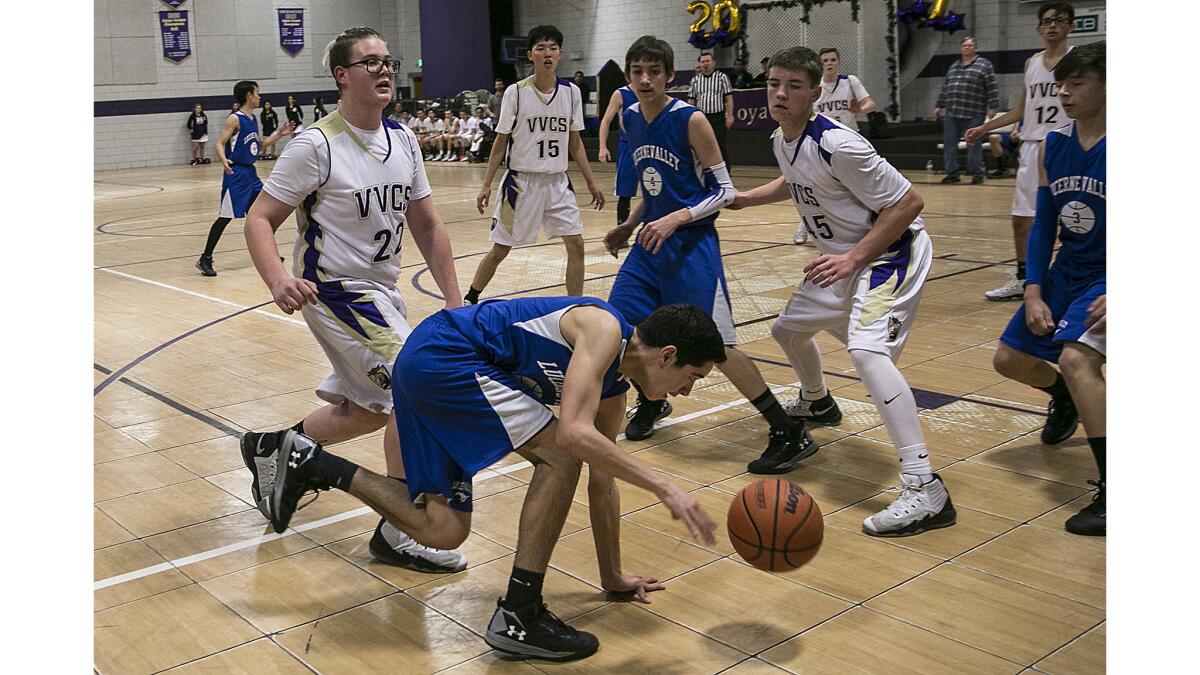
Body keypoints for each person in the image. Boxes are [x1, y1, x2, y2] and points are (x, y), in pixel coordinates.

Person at [246, 299, 722, 661]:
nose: (686, 390)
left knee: (442, 529)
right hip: (444, 355)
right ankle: (521, 611)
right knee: (559, 453)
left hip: (432, 367)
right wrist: (665, 484)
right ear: (667, 355)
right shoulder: (604, 328)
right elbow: (574, 436)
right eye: (692, 377)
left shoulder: (615, 390)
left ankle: (311, 463)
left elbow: (603, 479)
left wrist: (612, 576)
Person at [240, 26, 470, 571]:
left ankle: (277, 447)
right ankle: (400, 527)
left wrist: (455, 298)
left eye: (387, 61)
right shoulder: (315, 145)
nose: (385, 70)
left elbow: (429, 225)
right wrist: (278, 280)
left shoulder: (406, 141)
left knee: (367, 410)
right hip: (337, 291)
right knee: (411, 391)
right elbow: (259, 220)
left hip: (383, 291)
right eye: (370, 63)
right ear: (342, 75)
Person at [730, 46, 955, 537]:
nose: (781, 93)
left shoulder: (842, 144)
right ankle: (817, 401)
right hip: (841, 261)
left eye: (793, 86)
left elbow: (909, 202)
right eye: (774, 84)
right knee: (787, 331)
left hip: (887, 256)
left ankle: (925, 488)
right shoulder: (781, 140)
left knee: (868, 353)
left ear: (816, 93)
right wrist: (747, 198)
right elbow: (794, 179)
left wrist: (854, 258)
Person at [602, 36, 816, 470]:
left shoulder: (691, 120)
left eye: (654, 72)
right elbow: (654, 185)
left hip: (691, 245)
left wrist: (677, 218)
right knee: (618, 329)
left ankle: (787, 430)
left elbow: (723, 192)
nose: (646, 80)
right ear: (628, 77)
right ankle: (652, 400)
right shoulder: (629, 118)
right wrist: (629, 224)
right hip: (649, 243)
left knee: (716, 347)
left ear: (669, 76)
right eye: (638, 72)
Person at [991, 42, 1105, 536]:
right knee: (1009, 361)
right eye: (1061, 82)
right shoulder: (1052, 144)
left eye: (1076, 83)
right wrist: (1033, 289)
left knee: (1079, 361)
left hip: (1109, 274)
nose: (1063, 92)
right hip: (1065, 272)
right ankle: (1064, 399)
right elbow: (1042, 226)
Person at [466, 25, 605, 304]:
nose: (547, 53)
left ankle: (574, 305)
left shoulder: (572, 93)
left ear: (560, 53)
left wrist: (591, 180)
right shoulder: (515, 93)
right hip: (521, 183)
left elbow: (574, 141)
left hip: (557, 182)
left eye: (553, 48)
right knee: (500, 250)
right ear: (531, 55)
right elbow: (500, 142)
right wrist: (485, 184)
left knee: (576, 245)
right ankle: (471, 296)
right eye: (541, 48)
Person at [965, 2, 1075, 300]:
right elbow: (1020, 109)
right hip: (1032, 147)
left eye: (1059, 20)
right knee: (1022, 218)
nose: (1052, 25)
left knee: (1072, 217)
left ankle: (1074, 279)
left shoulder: (1079, 60)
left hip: (1069, 144)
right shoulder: (1032, 64)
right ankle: (1024, 278)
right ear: (1039, 28)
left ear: (1071, 26)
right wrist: (985, 127)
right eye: (1047, 21)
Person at [195, 81, 293, 277]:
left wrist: (279, 135)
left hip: (251, 174)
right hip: (236, 173)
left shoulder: (252, 118)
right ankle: (205, 258)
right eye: (257, 93)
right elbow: (219, 143)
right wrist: (223, 160)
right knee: (225, 217)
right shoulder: (235, 118)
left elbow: (260, 145)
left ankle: (268, 255)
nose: (260, 96)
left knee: (261, 215)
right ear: (249, 95)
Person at [793, 47, 877, 245]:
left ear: (838, 62)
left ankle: (863, 229)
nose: (829, 63)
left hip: (848, 141)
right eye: (825, 60)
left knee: (854, 189)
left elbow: (870, 104)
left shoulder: (850, 81)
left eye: (832, 60)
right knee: (813, 187)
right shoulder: (815, 87)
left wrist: (859, 109)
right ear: (819, 65)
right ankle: (805, 225)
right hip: (820, 143)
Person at [933, 36, 999, 185]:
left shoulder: (984, 65)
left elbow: (992, 86)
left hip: (974, 112)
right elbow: (946, 87)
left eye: (970, 45)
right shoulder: (954, 66)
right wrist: (939, 105)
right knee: (949, 144)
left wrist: (993, 105)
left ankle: (977, 173)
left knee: (973, 144)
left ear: (975, 48)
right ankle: (952, 173)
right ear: (961, 49)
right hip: (952, 112)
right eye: (964, 46)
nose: (967, 48)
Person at [597, 81, 640, 227]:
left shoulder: (652, 91)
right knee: (625, 192)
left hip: (649, 144)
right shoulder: (620, 94)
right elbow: (606, 121)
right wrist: (603, 147)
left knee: (657, 189)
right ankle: (621, 230)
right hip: (628, 147)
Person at [687, 52, 733, 166]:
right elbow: (691, 100)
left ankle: (726, 173)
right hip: (702, 118)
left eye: (708, 61)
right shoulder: (695, 81)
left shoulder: (722, 77)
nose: (705, 64)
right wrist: (688, 118)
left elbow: (729, 98)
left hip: (718, 117)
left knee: (720, 145)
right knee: (701, 145)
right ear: (700, 64)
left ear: (713, 63)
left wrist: (730, 116)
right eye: (703, 62)